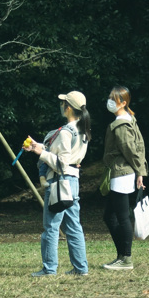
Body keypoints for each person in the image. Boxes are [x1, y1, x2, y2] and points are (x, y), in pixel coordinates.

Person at [23, 90, 90, 276]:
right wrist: (41, 147)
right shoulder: (82, 130)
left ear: (68, 107)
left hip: (59, 182)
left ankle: (49, 268)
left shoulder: (65, 132)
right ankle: (80, 268)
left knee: (51, 227)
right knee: (74, 226)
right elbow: (67, 158)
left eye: (63, 103)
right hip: (73, 181)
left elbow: (60, 162)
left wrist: (40, 153)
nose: (61, 106)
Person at [100, 86, 147, 270]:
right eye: (110, 97)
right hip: (124, 172)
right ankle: (121, 256)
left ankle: (126, 258)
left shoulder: (120, 125)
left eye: (114, 99)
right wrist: (139, 170)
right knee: (110, 216)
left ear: (124, 102)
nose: (110, 101)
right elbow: (139, 146)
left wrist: (140, 171)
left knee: (121, 217)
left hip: (121, 173)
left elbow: (131, 150)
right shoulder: (130, 120)